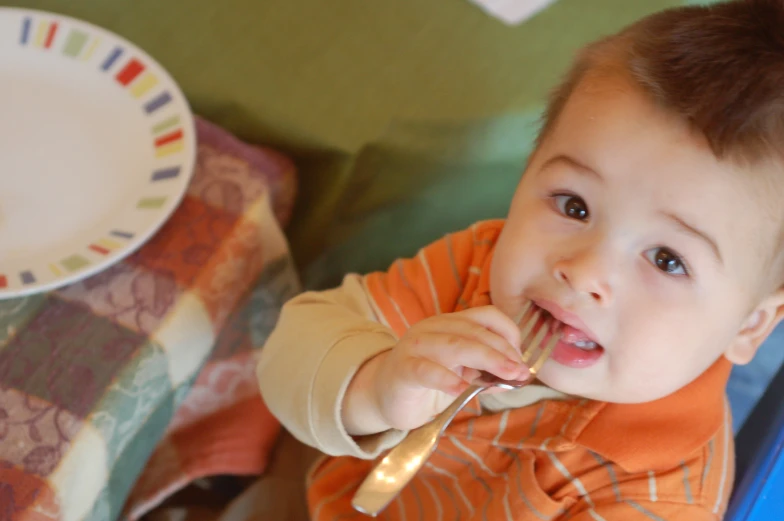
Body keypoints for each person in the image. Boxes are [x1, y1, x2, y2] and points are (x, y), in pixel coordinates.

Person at [257, 1, 784, 519]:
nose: (583, 272)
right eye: (574, 206)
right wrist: (376, 385)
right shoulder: (477, 268)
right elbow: (291, 349)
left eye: (667, 259)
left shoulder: (659, 495)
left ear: (753, 324)